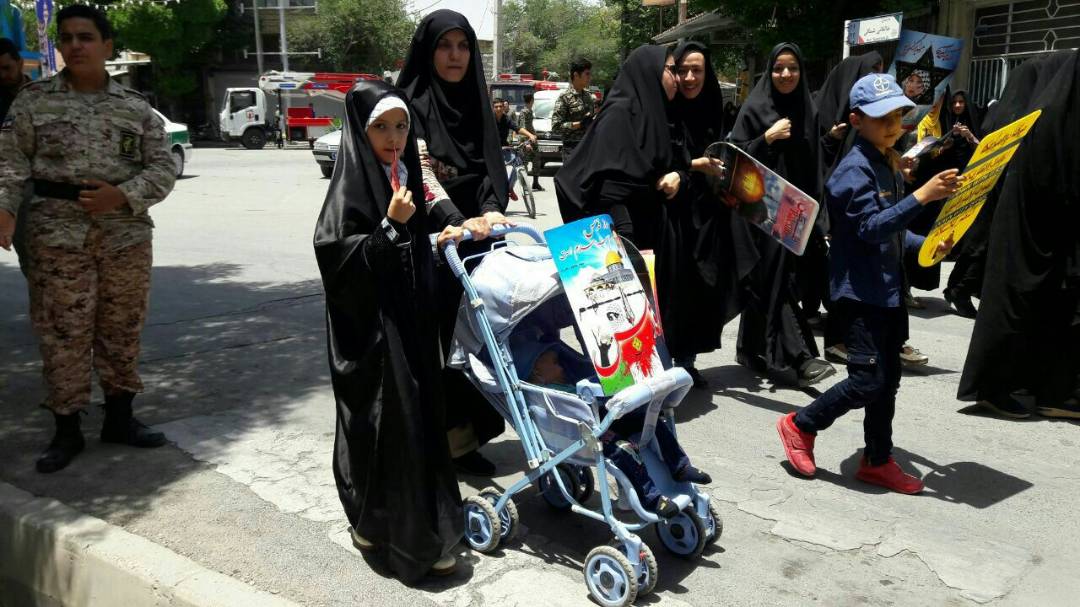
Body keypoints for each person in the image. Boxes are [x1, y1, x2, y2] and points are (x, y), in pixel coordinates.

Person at [0, 6, 176, 474]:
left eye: (86, 37)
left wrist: (123, 194)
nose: (75, 45)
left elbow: (163, 168)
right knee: (62, 331)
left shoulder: (135, 108)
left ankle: (120, 417)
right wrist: (5, 212)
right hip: (56, 233)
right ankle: (66, 429)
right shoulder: (33, 102)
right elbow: (10, 166)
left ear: (107, 45)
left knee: (122, 327)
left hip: (124, 235)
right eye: (68, 38)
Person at [776, 74, 962, 494]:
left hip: (888, 291)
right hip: (860, 294)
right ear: (857, 120)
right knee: (866, 380)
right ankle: (800, 424)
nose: (893, 125)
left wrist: (929, 244)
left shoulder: (886, 163)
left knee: (888, 380)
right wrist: (922, 196)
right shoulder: (851, 173)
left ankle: (877, 460)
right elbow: (871, 228)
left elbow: (894, 233)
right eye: (882, 118)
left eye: (897, 116)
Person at [314, 79, 468, 582]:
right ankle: (397, 537)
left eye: (401, 126)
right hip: (373, 334)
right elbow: (336, 257)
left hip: (411, 322)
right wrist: (389, 226)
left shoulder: (406, 173)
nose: (393, 136)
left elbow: (426, 220)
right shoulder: (352, 184)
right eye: (381, 126)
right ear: (360, 131)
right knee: (388, 424)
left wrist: (449, 229)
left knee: (419, 420)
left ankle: (417, 528)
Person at [397, 9, 511, 476]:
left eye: (463, 46)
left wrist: (492, 208)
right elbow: (419, 171)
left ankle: (466, 440)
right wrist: (455, 220)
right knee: (438, 344)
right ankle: (436, 443)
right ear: (428, 51)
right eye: (445, 46)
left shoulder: (476, 102)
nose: (455, 55)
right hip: (431, 236)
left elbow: (489, 165)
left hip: (477, 236)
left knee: (480, 338)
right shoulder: (410, 104)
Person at [958, 50, 1080, 420]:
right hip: (1033, 237)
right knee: (1024, 308)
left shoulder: (1049, 114)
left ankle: (1036, 389)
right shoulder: (1056, 120)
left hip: (1030, 234)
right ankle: (1002, 390)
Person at [728, 42, 836, 387]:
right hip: (761, 211)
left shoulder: (808, 111)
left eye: (792, 68)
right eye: (778, 68)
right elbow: (734, 158)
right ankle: (800, 357)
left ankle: (750, 348)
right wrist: (766, 138)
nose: (786, 74)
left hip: (798, 213)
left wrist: (819, 217)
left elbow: (815, 166)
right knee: (776, 280)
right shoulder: (754, 108)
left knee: (776, 280)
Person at [513, 337, 710, 517]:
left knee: (651, 421)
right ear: (537, 372)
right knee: (624, 450)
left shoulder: (563, 383)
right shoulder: (546, 393)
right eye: (555, 364)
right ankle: (651, 497)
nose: (562, 367)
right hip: (587, 435)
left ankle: (680, 466)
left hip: (600, 421)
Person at [659, 41, 757, 388]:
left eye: (696, 70)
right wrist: (691, 166)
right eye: (682, 70)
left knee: (702, 289)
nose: (689, 78)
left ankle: (687, 361)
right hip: (671, 214)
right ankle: (666, 363)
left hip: (708, 214)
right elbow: (657, 159)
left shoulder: (714, 107)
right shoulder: (664, 108)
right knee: (672, 291)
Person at [554, 45, 684, 251]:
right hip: (624, 240)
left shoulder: (657, 114)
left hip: (651, 227)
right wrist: (623, 231)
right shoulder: (620, 113)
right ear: (650, 71)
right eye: (672, 70)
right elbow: (605, 184)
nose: (678, 79)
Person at [0, 37, 31, 277]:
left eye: (6, 68)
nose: (2, 75)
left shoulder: (41, 96)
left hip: (40, 189)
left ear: (20, 63)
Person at [551, 57, 596, 163]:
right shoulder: (565, 97)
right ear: (576, 75)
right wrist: (579, 124)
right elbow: (556, 127)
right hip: (571, 149)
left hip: (588, 147)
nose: (589, 77)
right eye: (587, 74)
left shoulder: (588, 96)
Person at [518, 93, 543, 191]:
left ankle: (535, 183)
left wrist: (534, 134)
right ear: (532, 100)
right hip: (526, 141)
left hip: (532, 140)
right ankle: (525, 185)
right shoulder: (523, 112)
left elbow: (530, 126)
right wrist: (527, 143)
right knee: (524, 163)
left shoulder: (529, 111)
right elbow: (522, 128)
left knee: (536, 161)